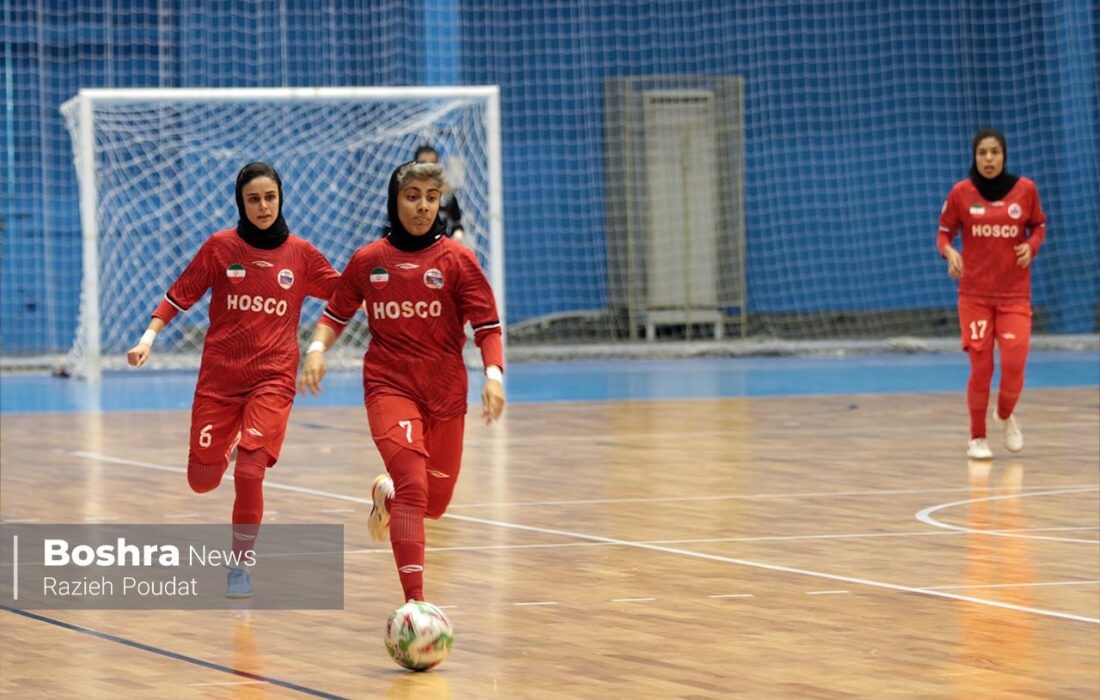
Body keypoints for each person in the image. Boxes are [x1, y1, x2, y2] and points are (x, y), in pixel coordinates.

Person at [127, 162, 340, 597]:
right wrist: (148, 337)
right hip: (220, 380)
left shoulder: (301, 254)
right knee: (202, 480)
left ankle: (239, 565)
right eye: (253, 199)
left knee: (250, 471)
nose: (263, 206)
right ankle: (219, 447)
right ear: (240, 203)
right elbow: (178, 294)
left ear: (281, 198)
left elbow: (345, 292)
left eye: (270, 197)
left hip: (275, 378)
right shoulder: (220, 247)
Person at [298, 160, 504, 605]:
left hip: (446, 393)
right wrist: (316, 350)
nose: (423, 207)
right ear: (395, 201)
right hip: (389, 387)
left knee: (435, 504)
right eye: (413, 197)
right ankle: (415, 606)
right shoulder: (370, 260)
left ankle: (385, 495)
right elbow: (336, 312)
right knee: (414, 484)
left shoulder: (458, 260)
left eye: (432, 198)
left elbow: (487, 325)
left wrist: (493, 376)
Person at [937, 128, 1046, 460]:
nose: (988, 159)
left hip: (1014, 295)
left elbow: (1039, 225)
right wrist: (951, 254)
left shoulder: (1025, 190)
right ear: (975, 156)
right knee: (981, 368)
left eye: (994, 153)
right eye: (982, 153)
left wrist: (1031, 245)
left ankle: (1004, 412)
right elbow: (944, 234)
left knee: (1014, 363)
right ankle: (977, 437)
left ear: (1004, 155)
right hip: (974, 296)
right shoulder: (961, 193)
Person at [413, 145, 465, 242]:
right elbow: (389, 231)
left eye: (433, 163)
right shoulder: (404, 196)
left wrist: (456, 238)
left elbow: (457, 226)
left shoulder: (447, 196)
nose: (428, 167)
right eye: (423, 163)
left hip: (441, 250)